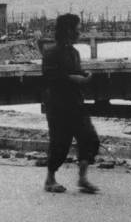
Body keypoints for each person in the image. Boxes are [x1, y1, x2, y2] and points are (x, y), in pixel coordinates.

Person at [42, 13, 99, 194]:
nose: (79, 32)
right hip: (58, 105)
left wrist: (84, 75)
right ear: (68, 30)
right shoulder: (51, 52)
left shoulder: (74, 52)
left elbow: (76, 72)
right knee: (60, 142)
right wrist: (74, 79)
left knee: (89, 138)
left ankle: (82, 179)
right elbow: (51, 77)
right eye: (77, 29)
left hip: (76, 103)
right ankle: (50, 179)